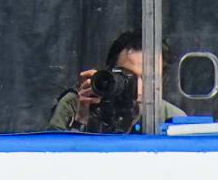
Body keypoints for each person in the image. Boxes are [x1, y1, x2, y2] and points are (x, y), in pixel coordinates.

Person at [45, 29, 188, 133]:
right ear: (110, 72)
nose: (138, 89)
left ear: (162, 80)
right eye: (128, 77)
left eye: (149, 79)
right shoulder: (75, 105)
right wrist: (81, 118)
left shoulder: (171, 117)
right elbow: (55, 158)